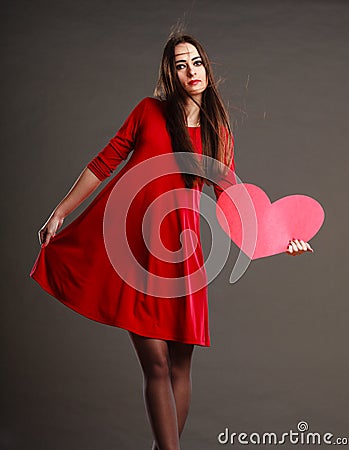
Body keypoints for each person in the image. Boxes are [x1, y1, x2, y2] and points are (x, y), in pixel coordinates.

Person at [30, 33, 313, 450]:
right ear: (170, 73)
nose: (190, 71)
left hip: (183, 258)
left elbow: (234, 203)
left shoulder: (217, 130)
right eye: (180, 65)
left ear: (206, 69)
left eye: (196, 62)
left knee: (180, 366)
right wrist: (61, 210)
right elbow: (105, 160)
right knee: (157, 365)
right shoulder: (149, 112)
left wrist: (283, 238)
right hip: (134, 252)